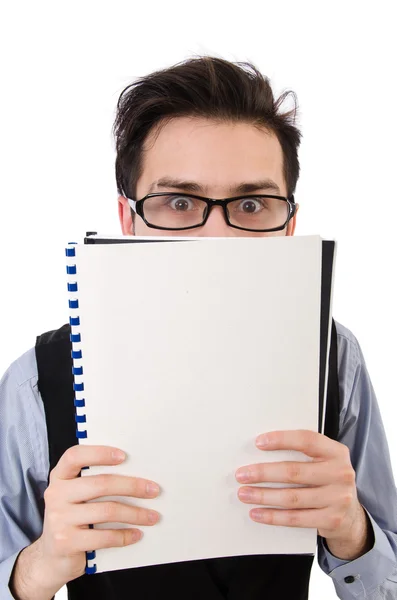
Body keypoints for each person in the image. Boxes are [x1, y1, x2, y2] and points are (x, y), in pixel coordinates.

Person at [1, 56, 396, 600]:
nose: (218, 240)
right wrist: (38, 567)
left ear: (290, 226)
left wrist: (354, 531)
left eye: (253, 203)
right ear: (128, 220)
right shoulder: (34, 382)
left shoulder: (337, 356)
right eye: (180, 202)